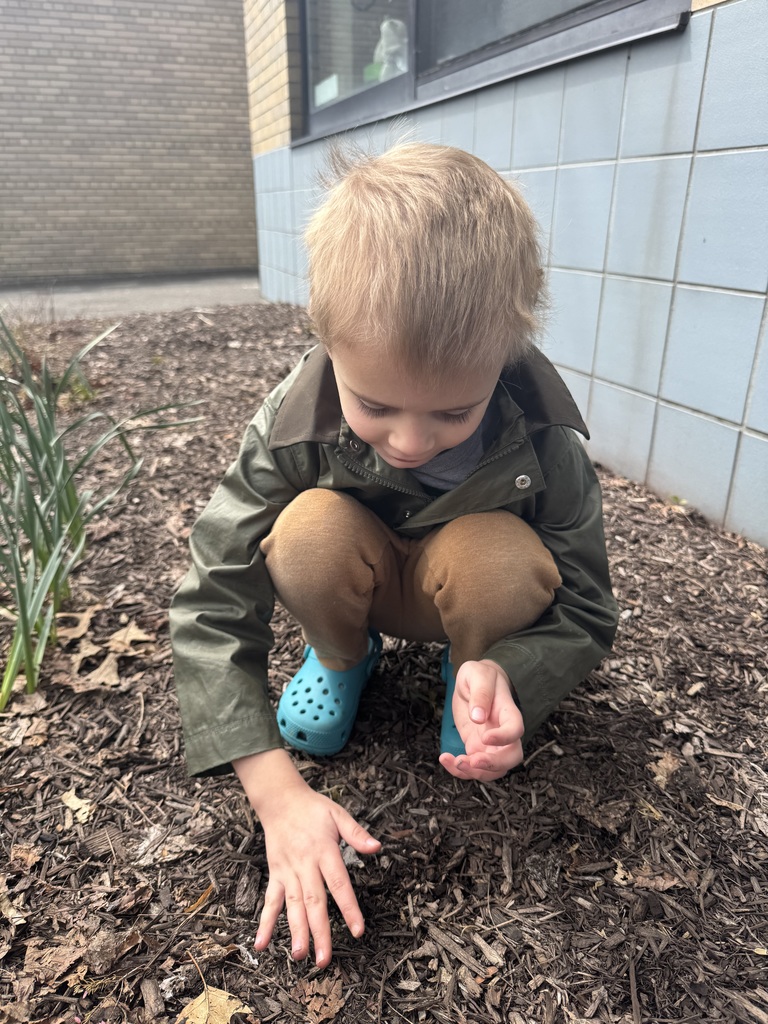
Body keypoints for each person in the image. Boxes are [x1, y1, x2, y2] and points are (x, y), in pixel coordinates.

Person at [169, 142, 618, 969]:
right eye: (373, 405)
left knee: (496, 556)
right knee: (306, 530)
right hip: (356, 582)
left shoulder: (544, 440)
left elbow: (588, 603)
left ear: (505, 359)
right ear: (326, 339)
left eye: (455, 412)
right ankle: (342, 658)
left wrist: (519, 669)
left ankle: (475, 675)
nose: (410, 441)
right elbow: (212, 597)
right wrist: (275, 794)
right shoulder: (291, 419)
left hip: (469, 590)